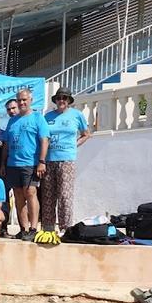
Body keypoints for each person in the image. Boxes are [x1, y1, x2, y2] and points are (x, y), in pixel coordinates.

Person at [2, 89, 50, 241]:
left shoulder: (38, 118)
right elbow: (6, 144)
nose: (22, 102)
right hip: (12, 164)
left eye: (24, 99)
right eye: (19, 100)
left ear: (30, 100)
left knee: (30, 193)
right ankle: (24, 229)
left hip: (30, 163)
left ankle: (34, 228)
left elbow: (44, 140)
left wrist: (41, 162)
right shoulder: (12, 120)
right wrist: (3, 164)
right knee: (18, 196)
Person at [42, 87, 91, 233]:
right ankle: (48, 228)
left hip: (67, 160)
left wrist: (74, 145)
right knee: (48, 195)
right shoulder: (47, 117)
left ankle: (65, 228)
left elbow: (86, 134)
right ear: (55, 100)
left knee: (64, 195)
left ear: (69, 100)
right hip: (49, 160)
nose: (61, 100)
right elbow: (43, 137)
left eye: (64, 98)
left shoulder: (77, 115)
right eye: (58, 98)